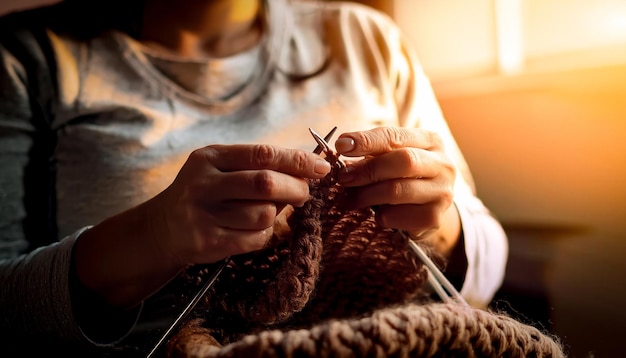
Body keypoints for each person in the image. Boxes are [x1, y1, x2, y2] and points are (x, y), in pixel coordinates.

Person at [0, 0, 508, 355]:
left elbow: (485, 272)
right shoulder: (27, 59)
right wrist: (155, 236)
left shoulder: (367, 40)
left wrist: (444, 228)